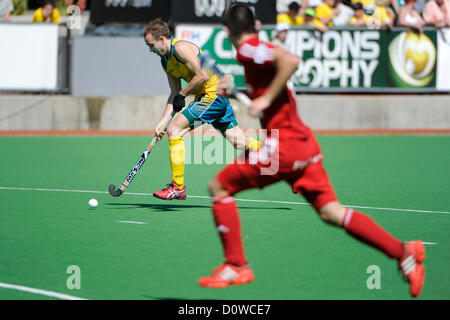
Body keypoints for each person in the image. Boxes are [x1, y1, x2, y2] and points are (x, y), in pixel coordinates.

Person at [197, 3, 426, 299]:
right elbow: (274, 80)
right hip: (303, 145)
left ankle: (236, 265)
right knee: (333, 212)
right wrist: (247, 91)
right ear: (255, 26)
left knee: (219, 186)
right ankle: (403, 252)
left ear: (227, 31)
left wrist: (264, 100)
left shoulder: (247, 50)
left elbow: (291, 61)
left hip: (284, 149)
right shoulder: (257, 49)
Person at [143, 18, 260, 201]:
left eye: (151, 45)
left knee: (175, 130)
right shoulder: (166, 62)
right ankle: (280, 157)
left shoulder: (180, 49)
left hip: (212, 96)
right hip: (210, 98)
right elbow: (174, 93)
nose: (151, 50)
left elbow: (202, 76)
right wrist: (161, 123)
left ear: (162, 40)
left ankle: (177, 187)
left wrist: (182, 95)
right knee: (239, 142)